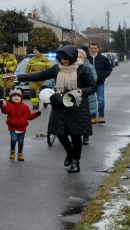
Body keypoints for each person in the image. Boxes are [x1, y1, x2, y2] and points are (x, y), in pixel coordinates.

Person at [16, 44, 96, 173]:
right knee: (59, 132)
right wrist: (18, 78)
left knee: (76, 135)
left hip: (77, 105)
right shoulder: (57, 69)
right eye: (61, 58)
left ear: (73, 57)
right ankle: (69, 153)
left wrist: (79, 92)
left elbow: (92, 87)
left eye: (66, 58)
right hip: (60, 104)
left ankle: (76, 161)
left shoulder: (84, 69)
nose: (63, 61)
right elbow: (39, 75)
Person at [0, 87, 40, 161]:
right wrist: (3, 105)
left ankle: (20, 154)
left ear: (21, 98)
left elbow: (29, 117)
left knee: (21, 142)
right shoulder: (9, 105)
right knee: (14, 139)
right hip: (12, 127)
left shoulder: (25, 107)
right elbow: (5, 111)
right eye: (14, 96)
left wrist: (36, 114)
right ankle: (12, 151)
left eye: (18, 96)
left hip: (22, 127)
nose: (16, 97)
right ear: (11, 98)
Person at [87, 43, 113, 124]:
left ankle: (101, 116)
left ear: (98, 49)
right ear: (89, 49)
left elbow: (109, 68)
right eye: (91, 48)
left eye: (95, 48)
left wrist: (102, 76)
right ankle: (93, 116)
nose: (93, 50)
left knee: (101, 100)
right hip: (89, 84)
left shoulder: (103, 59)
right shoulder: (86, 59)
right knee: (91, 101)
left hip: (100, 83)